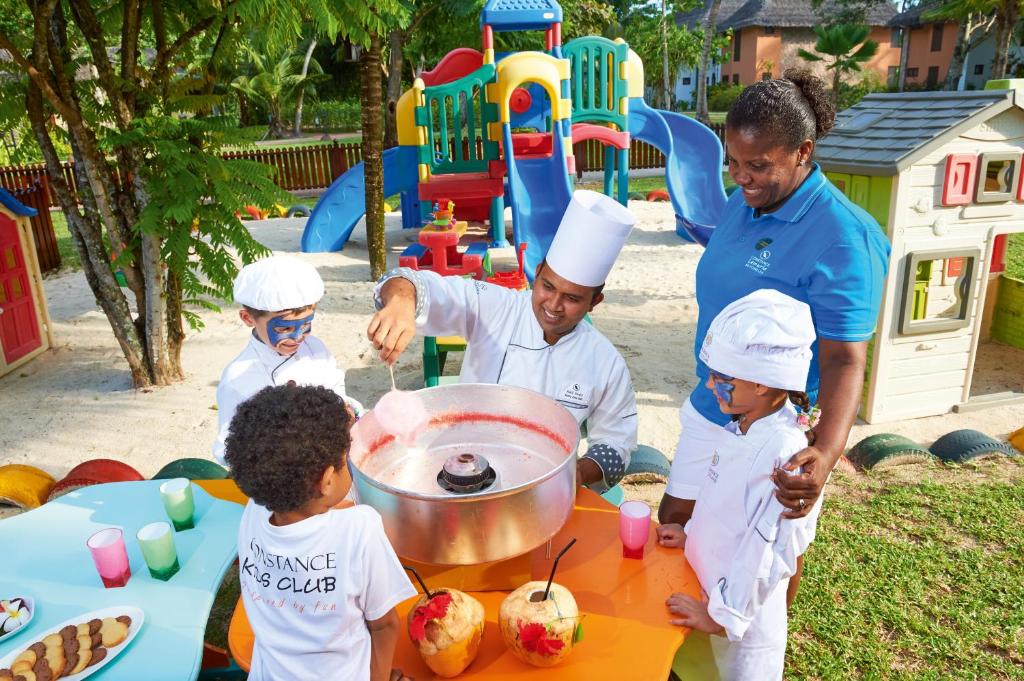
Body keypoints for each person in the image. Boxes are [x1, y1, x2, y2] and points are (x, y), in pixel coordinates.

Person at [658, 69, 891, 601]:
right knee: (676, 520)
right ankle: (691, 635)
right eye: (733, 162)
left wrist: (825, 452)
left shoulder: (845, 238)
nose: (741, 178)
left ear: (802, 152)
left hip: (774, 422)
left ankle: (758, 640)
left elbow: (845, 359)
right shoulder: (742, 202)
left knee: (765, 550)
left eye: (759, 165)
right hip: (712, 402)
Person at [367, 190, 638, 492]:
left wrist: (576, 472)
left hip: (543, 485)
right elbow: (415, 282)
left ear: (594, 302)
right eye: (547, 286)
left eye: (572, 298)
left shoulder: (604, 361)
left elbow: (617, 443)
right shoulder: (496, 306)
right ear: (537, 272)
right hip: (460, 471)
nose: (553, 305)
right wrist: (401, 303)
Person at [657, 289, 822, 680]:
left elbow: (769, 550)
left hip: (741, 623)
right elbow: (723, 506)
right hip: (707, 593)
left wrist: (722, 617)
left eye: (721, 377)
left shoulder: (783, 453)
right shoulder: (742, 424)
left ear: (762, 383)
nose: (710, 385)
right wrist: (692, 538)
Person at [226, 384, 416, 681]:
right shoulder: (359, 529)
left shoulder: (255, 508)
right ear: (327, 480)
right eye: (345, 460)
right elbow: (385, 626)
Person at [213, 255, 358, 465]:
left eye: (306, 325)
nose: (298, 337)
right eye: (284, 328)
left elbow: (336, 387)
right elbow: (227, 449)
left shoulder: (315, 348)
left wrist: (347, 409)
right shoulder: (239, 379)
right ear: (248, 318)